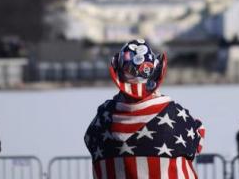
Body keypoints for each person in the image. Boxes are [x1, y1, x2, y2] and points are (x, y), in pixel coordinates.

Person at [84, 39, 205, 178]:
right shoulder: (174, 115)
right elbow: (196, 141)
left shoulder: (103, 119)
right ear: (155, 72)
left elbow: (90, 141)